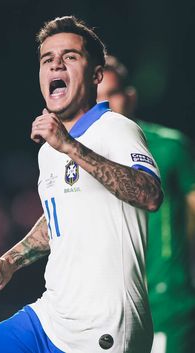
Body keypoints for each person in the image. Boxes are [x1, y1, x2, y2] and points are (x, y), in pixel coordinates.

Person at [0, 17, 163, 353]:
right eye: (47, 59)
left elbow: (149, 194)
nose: (56, 62)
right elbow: (59, 217)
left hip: (100, 330)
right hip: (51, 316)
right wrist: (10, 261)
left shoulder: (116, 128)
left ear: (96, 76)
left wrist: (69, 145)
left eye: (70, 56)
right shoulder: (49, 152)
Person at [97, 55, 195, 353]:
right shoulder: (78, 158)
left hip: (167, 305)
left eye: (111, 94)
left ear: (131, 96)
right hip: (105, 310)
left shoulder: (170, 147)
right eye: (95, 98)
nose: (104, 106)